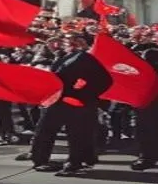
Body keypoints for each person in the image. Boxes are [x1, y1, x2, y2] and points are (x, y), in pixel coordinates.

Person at [29, 34, 113, 176]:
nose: (69, 43)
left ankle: (75, 163)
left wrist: (82, 94)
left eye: (74, 41)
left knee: (78, 134)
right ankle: (40, 160)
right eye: (67, 41)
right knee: (45, 130)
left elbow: (105, 80)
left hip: (77, 103)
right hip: (58, 100)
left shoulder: (85, 58)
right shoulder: (63, 57)